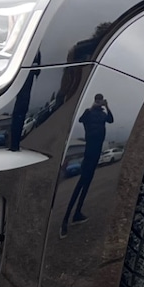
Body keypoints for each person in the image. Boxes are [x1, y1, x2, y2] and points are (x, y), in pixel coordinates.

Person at [62, 94, 113, 234]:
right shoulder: (88, 113)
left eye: (100, 100)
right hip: (89, 151)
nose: (99, 102)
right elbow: (81, 120)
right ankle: (65, 219)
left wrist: (107, 106)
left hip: (96, 153)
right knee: (81, 183)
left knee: (87, 184)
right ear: (94, 101)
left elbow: (111, 120)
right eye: (97, 100)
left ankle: (77, 213)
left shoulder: (103, 115)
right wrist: (92, 107)